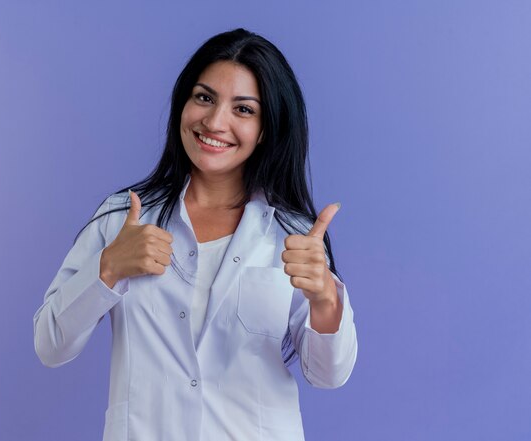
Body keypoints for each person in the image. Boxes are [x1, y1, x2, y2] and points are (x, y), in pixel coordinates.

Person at [33, 28, 357, 441]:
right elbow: (51, 344)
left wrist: (325, 298)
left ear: (267, 128)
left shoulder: (292, 236)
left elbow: (328, 376)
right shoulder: (122, 219)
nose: (214, 121)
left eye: (243, 109)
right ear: (183, 103)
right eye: (204, 97)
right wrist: (108, 268)